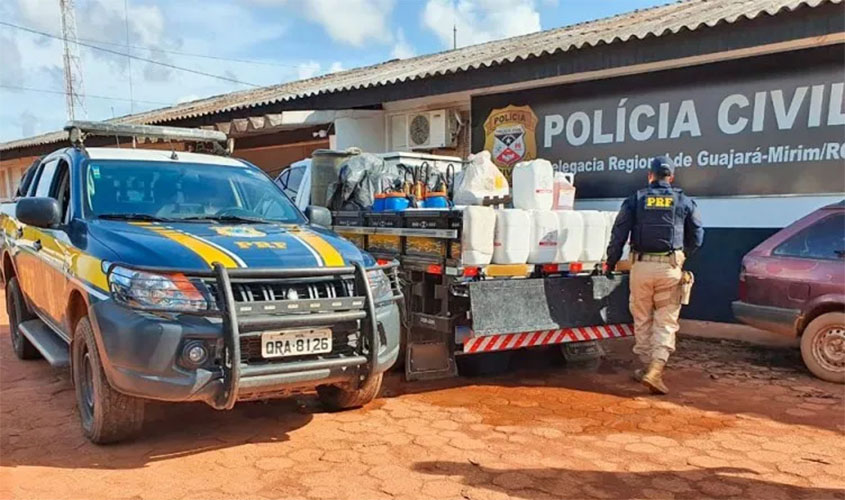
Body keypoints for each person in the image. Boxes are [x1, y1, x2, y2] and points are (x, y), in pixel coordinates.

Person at [605, 156, 704, 395]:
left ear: (650, 176)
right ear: (671, 177)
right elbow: (698, 235)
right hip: (670, 267)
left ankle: (646, 366)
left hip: (640, 267)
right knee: (666, 319)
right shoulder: (684, 201)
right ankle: (656, 368)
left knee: (642, 316)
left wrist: (610, 262)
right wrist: (681, 256)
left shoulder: (635, 200)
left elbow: (618, 234)